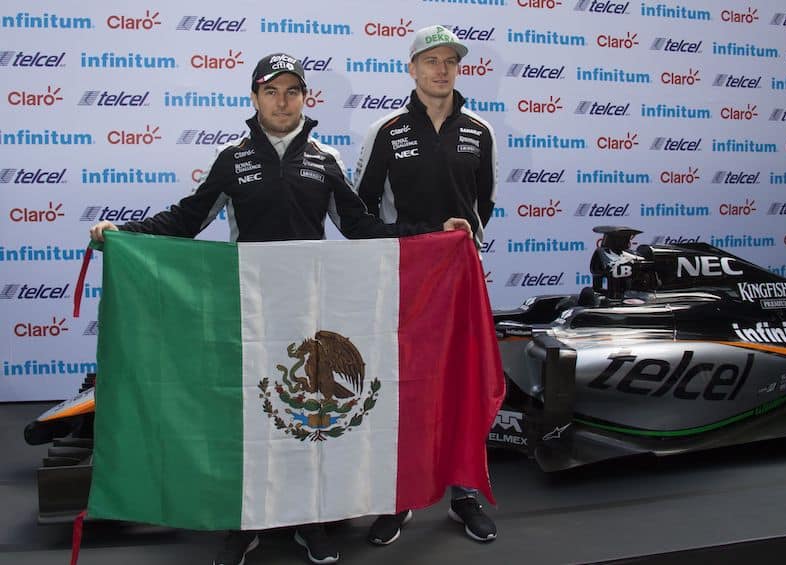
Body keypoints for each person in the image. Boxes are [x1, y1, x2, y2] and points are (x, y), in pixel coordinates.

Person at [90, 52, 470, 565]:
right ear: (255, 97)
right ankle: (242, 525)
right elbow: (186, 219)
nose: (282, 101)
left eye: (292, 91)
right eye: (271, 91)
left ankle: (309, 521)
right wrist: (124, 234)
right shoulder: (232, 157)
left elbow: (362, 227)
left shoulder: (324, 158)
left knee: (304, 419)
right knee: (247, 417)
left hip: (308, 315)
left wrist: (432, 236)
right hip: (246, 315)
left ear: (305, 98)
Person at [353, 25, 498, 545]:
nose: (442, 70)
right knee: (404, 383)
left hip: (459, 277)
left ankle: (464, 492)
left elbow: (484, 202)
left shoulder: (479, 130)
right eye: (431, 61)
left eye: (450, 61)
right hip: (404, 276)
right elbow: (362, 207)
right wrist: (416, 240)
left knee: (463, 379)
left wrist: (459, 242)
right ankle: (401, 496)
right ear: (412, 68)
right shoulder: (386, 130)